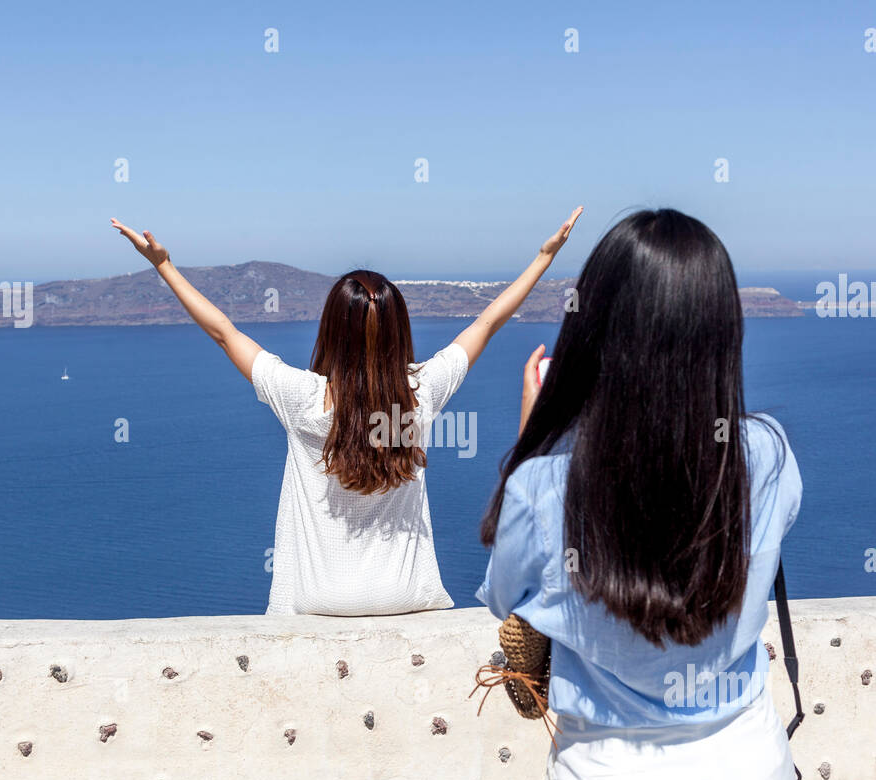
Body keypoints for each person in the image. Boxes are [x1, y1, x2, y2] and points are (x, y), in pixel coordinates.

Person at [477, 208, 806, 780]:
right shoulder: (766, 454)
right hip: (755, 773)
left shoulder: (545, 489)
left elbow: (506, 599)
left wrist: (535, 437)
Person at [112, 208, 582, 615]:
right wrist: (545, 257)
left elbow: (224, 333)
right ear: (400, 330)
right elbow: (488, 321)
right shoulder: (421, 394)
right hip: (408, 602)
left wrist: (165, 265)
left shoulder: (300, 398)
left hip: (316, 605)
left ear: (332, 331)